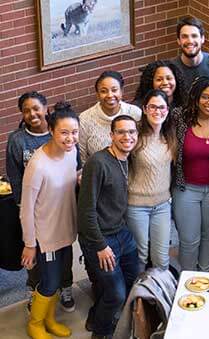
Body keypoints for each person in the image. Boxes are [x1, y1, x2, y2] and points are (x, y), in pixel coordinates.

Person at [6, 92, 75, 313]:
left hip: (61, 208)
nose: (32, 114)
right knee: (39, 263)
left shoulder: (67, 141)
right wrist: (22, 208)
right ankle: (36, 294)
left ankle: (63, 289)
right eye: (26, 110)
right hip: (36, 210)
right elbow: (15, 177)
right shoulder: (22, 144)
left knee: (64, 257)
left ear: (46, 109)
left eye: (36, 108)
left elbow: (75, 167)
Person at [20, 101, 80, 339]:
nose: (70, 138)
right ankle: (35, 323)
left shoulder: (72, 152)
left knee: (57, 279)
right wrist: (29, 243)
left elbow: (64, 180)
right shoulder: (37, 165)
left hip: (65, 228)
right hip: (46, 236)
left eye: (74, 132)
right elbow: (26, 208)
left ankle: (50, 319)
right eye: (64, 133)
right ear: (52, 131)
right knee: (50, 281)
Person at [78, 115, 140, 339]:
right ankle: (101, 333)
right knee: (116, 294)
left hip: (122, 232)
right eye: (121, 132)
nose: (127, 136)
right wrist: (100, 246)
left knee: (133, 281)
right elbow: (85, 211)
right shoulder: (98, 163)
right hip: (101, 238)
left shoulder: (128, 159)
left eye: (132, 132)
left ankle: (98, 314)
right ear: (111, 135)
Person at [172, 76, 209, 271]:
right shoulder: (179, 117)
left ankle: (205, 274)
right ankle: (187, 278)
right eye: (206, 97)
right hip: (186, 189)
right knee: (189, 239)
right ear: (196, 98)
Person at [127, 90, 176, 272]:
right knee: (140, 255)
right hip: (137, 205)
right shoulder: (135, 137)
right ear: (145, 110)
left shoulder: (170, 135)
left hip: (163, 205)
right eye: (152, 107)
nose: (157, 111)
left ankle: (159, 295)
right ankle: (138, 298)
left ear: (167, 110)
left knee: (161, 258)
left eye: (162, 107)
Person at [79, 70, 141, 164]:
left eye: (114, 90)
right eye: (103, 91)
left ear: (121, 91)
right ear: (97, 94)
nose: (110, 95)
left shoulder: (134, 113)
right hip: (101, 175)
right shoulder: (85, 119)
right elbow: (81, 157)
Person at [171, 15, 209, 85]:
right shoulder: (170, 70)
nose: (190, 41)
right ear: (178, 40)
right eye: (184, 36)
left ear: (202, 39)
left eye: (194, 36)